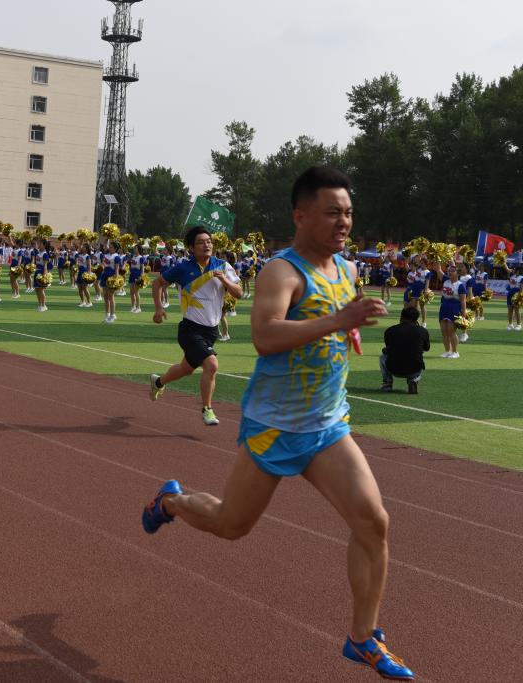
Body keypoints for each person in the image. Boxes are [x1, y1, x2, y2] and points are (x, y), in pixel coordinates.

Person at [141, 167, 414, 681]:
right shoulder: (281, 272)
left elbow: (333, 320)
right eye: (332, 212)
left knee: (373, 522)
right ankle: (170, 501)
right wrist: (338, 321)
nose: (343, 222)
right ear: (301, 215)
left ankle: (363, 637)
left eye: (348, 213)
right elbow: (265, 336)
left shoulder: (347, 269)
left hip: (327, 425)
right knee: (231, 525)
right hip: (274, 426)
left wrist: (347, 332)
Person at [148, 226, 242, 426]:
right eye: (200, 242)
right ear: (191, 247)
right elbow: (157, 283)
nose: (206, 245)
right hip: (190, 329)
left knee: (186, 369)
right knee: (211, 365)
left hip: (211, 331)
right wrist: (158, 308)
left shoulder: (223, 266)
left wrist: (224, 280)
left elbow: (239, 293)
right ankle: (207, 409)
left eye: (209, 241)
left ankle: (158, 382)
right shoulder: (183, 268)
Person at [380, 307, 429, 393]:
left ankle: (387, 383)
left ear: (401, 317)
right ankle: (413, 380)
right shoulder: (423, 331)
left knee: (382, 357)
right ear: (416, 319)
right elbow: (426, 348)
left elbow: (389, 348)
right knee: (419, 355)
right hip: (414, 368)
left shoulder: (390, 330)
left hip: (393, 368)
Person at [435, 262, 466, 358]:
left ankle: (455, 352)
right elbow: (438, 268)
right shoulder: (445, 280)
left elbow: (463, 301)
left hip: (454, 308)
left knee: (451, 331)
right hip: (444, 307)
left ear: (458, 273)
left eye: (452, 271)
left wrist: (463, 315)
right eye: (449, 271)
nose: (450, 272)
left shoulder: (460, 285)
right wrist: (437, 258)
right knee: (444, 331)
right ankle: (447, 351)